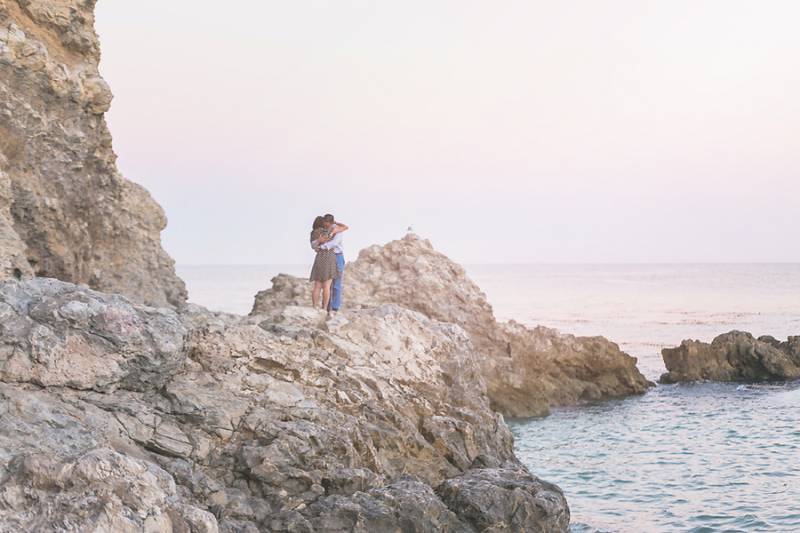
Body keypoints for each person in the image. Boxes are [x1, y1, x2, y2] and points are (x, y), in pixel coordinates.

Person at [318, 214, 348, 314]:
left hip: (337, 256)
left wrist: (321, 247)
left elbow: (334, 243)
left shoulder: (337, 230)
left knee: (336, 284)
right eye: (324, 225)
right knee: (326, 284)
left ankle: (335, 308)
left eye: (327, 225)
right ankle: (326, 306)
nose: (325, 227)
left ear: (331, 223)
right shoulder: (325, 230)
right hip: (327, 257)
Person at [308, 216, 339, 312]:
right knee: (326, 286)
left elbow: (313, 247)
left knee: (317, 286)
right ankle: (325, 308)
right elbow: (343, 227)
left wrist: (318, 241)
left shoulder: (314, 233)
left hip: (319, 257)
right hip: (329, 257)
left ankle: (314, 307)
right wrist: (334, 222)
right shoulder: (328, 232)